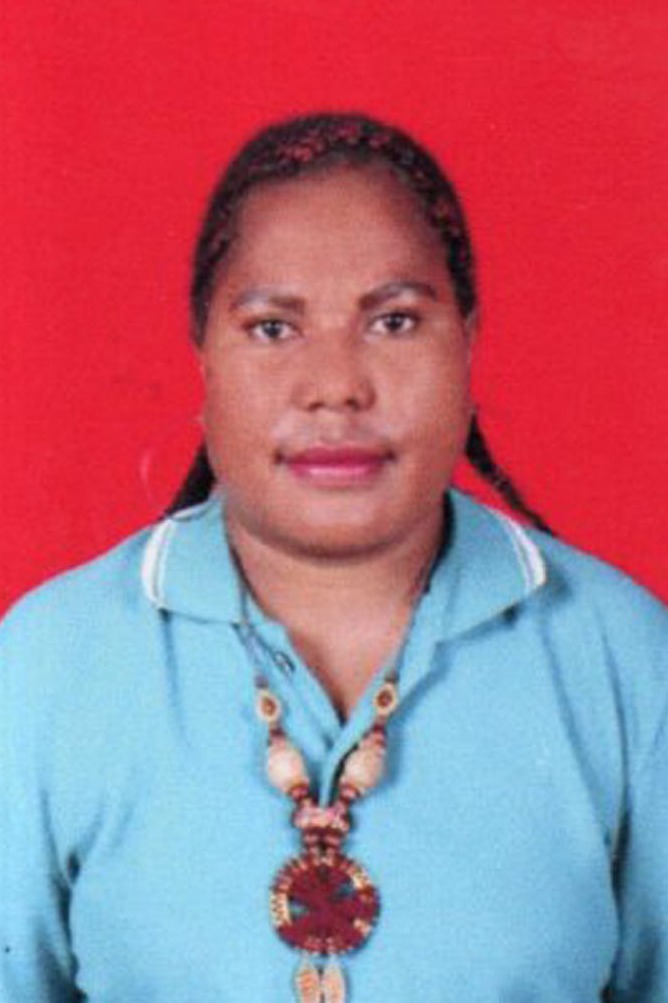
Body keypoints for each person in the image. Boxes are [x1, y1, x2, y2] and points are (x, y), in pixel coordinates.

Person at [1, 113, 666, 1003]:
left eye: (394, 321)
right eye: (273, 328)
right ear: (203, 350)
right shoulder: (45, 664)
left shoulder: (625, 656)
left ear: (468, 339)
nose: (336, 386)